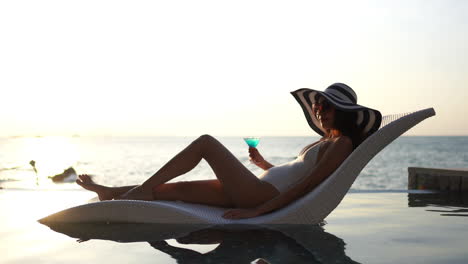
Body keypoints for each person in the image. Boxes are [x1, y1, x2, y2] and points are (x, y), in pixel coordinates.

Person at [76, 83, 381, 220]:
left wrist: (260, 210)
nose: (319, 110)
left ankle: (140, 189)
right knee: (174, 189)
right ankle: (110, 191)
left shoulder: (342, 143)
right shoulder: (325, 141)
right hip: (257, 187)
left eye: (326, 106)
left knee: (206, 142)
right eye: (318, 105)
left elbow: (310, 184)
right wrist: (264, 163)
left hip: (259, 195)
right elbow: (297, 173)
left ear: (342, 112)